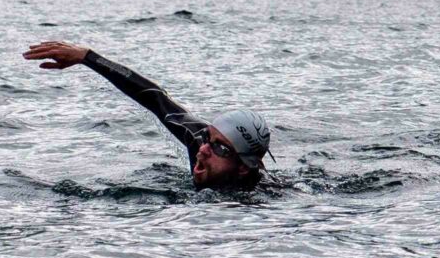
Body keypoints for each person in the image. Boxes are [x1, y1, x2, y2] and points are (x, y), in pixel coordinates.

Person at [22, 40, 270, 190]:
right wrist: (87, 57)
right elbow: (154, 97)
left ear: (243, 168)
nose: (203, 149)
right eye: (207, 137)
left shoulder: (259, 198)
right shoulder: (199, 143)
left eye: (220, 148)